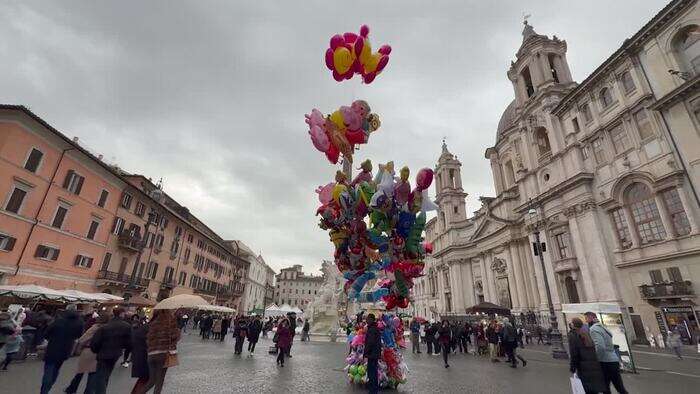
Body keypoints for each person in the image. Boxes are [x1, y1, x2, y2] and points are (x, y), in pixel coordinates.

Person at [133, 309, 181, 394]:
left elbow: (148, 340)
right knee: (159, 382)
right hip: (163, 354)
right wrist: (177, 333)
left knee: (152, 381)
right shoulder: (170, 321)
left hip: (151, 355)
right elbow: (174, 337)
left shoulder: (152, 323)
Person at [40, 305, 84, 394]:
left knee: (49, 370)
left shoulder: (59, 320)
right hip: (66, 348)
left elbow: (47, 333)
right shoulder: (79, 322)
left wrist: (51, 338)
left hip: (53, 347)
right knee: (56, 369)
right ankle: (48, 388)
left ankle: (44, 391)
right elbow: (79, 335)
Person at [90, 307, 132, 394]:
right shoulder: (127, 326)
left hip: (102, 353)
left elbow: (95, 342)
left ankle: (101, 392)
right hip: (116, 353)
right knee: (106, 374)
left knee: (101, 376)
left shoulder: (105, 327)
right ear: (121, 314)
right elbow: (130, 343)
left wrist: (96, 351)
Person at [64, 312, 108, 393]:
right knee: (92, 374)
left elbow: (82, 339)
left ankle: (72, 388)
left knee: (80, 372)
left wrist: (78, 348)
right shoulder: (107, 329)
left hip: (89, 351)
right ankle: (87, 391)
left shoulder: (95, 328)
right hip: (100, 352)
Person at [585, 312, 628, 394]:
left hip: (605, 362)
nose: (586, 321)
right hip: (613, 360)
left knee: (605, 387)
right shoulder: (603, 327)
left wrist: (596, 359)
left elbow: (600, 346)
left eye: (586, 318)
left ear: (591, 318)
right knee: (620, 387)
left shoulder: (594, 329)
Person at [569, 317, 606, 394]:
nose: (570, 324)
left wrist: (573, 367)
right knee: (593, 389)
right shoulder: (586, 333)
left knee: (585, 388)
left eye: (571, 323)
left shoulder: (574, 336)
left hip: (583, 366)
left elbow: (574, 353)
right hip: (593, 365)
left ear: (574, 325)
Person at [129, 316, 149, 394]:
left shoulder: (141, 329)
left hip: (140, 356)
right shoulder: (146, 329)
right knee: (145, 379)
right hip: (143, 358)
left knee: (144, 379)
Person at [364, 314, 381, 394]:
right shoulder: (375, 328)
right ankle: (374, 390)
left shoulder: (371, 329)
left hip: (372, 354)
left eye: (367, 319)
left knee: (372, 373)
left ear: (371, 319)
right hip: (375, 354)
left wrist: (365, 353)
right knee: (374, 372)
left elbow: (370, 342)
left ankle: (372, 391)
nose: (366, 320)